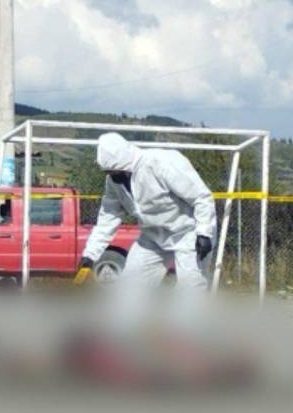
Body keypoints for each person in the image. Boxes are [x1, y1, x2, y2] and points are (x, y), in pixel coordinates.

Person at [79, 132, 216, 326]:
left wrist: (204, 232)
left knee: (190, 288)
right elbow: (108, 216)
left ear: (127, 162)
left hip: (188, 232)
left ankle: (187, 338)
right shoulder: (114, 180)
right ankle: (121, 335)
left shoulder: (162, 163)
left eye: (118, 172)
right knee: (129, 286)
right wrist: (91, 253)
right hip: (152, 237)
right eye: (109, 173)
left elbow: (202, 197)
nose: (114, 177)